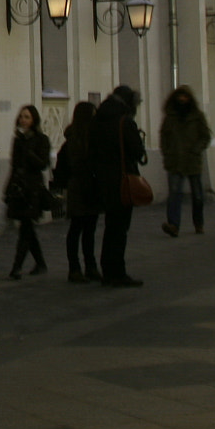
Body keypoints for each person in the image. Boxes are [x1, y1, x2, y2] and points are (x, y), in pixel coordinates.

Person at [91, 84, 147, 288]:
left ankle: (107, 269)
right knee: (120, 228)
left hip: (103, 181)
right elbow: (137, 151)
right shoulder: (125, 122)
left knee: (110, 226)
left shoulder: (98, 119)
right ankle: (117, 271)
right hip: (122, 181)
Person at [3, 106, 51, 278]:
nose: (23, 120)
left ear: (34, 120)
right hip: (19, 189)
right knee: (27, 227)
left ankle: (16, 267)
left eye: (27, 117)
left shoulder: (41, 139)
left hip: (33, 189)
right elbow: (14, 166)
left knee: (25, 227)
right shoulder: (18, 140)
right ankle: (40, 263)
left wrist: (30, 154)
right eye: (21, 116)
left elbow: (43, 164)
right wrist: (8, 188)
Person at [55, 101, 101, 284]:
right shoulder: (77, 140)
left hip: (83, 186)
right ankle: (77, 268)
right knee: (79, 229)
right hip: (82, 186)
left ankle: (88, 266)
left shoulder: (87, 138)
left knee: (86, 229)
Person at [158, 85, 211, 236]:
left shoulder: (197, 116)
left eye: (185, 97)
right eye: (180, 97)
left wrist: (196, 149)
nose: (182, 100)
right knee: (174, 194)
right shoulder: (170, 117)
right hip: (175, 161)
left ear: (190, 99)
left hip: (192, 161)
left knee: (198, 195)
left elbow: (205, 136)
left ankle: (198, 223)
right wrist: (167, 153)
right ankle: (173, 225)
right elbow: (164, 136)